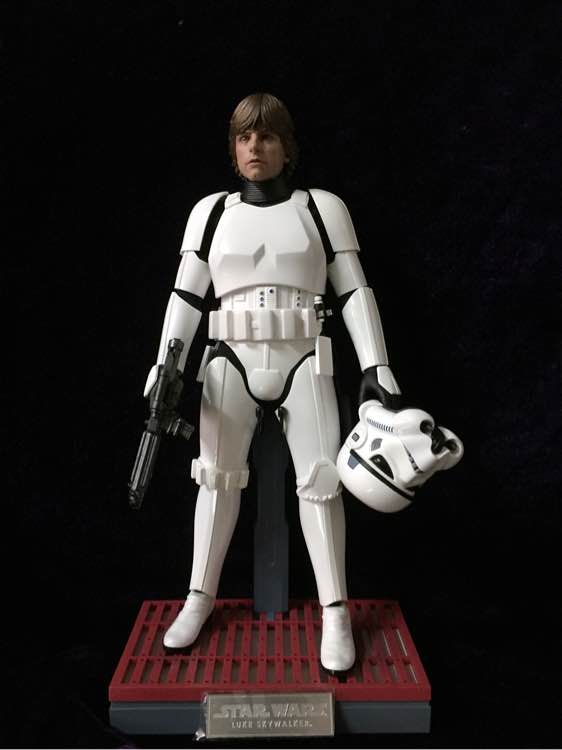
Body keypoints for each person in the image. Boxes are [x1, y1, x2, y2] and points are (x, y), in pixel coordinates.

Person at [143, 93, 401, 671]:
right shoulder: (211, 213)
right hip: (227, 357)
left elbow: (354, 289)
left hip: (304, 355)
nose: (255, 147)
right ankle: (198, 597)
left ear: (287, 146)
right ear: (233, 149)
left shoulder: (321, 208)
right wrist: (166, 367)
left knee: (322, 480)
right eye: (244, 137)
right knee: (215, 478)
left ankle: (335, 609)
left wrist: (376, 367)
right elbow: (186, 295)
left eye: (266, 136)